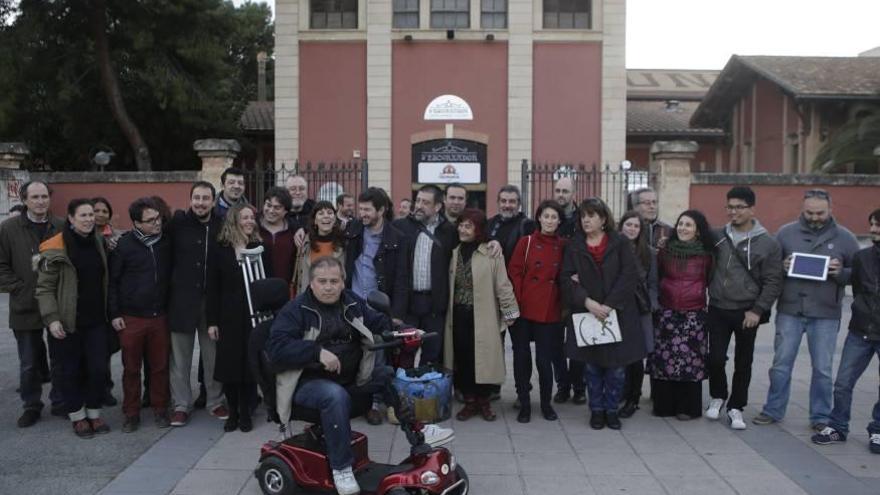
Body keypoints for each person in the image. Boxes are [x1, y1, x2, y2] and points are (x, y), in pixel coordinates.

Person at [266, 256, 454, 495]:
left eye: (334, 281)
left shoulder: (350, 302)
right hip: (307, 384)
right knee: (334, 396)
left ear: (343, 282)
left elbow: (377, 322)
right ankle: (341, 468)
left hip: (350, 379)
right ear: (311, 283)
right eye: (322, 281)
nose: (328, 287)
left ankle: (418, 431)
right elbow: (276, 348)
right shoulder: (296, 310)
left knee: (386, 374)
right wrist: (316, 352)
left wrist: (403, 330)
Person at [754, 189, 860, 430]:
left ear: (831, 209)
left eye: (820, 213)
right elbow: (769, 271)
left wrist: (841, 273)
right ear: (802, 209)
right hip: (790, 309)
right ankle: (773, 409)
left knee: (822, 369)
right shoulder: (785, 233)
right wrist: (782, 266)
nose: (814, 217)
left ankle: (821, 416)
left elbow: (860, 274)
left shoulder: (846, 238)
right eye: (809, 212)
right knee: (781, 364)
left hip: (826, 313)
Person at [561, 198, 646, 430]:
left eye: (591, 215)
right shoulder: (574, 245)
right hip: (587, 313)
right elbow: (566, 279)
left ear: (604, 219)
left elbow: (629, 276)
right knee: (592, 367)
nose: (586, 220)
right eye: (583, 216)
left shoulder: (619, 242)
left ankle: (611, 410)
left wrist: (608, 305)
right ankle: (596, 410)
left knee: (616, 369)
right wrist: (587, 301)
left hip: (616, 314)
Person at [706, 186, 783, 430]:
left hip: (747, 311)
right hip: (718, 306)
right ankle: (718, 396)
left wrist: (758, 310)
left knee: (744, 361)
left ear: (752, 209)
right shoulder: (717, 236)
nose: (733, 212)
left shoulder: (768, 243)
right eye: (730, 207)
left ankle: (736, 407)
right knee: (715, 358)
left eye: (739, 207)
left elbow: (773, 280)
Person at [35, 199, 111, 438]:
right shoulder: (54, 247)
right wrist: (52, 318)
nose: (89, 219)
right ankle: (78, 416)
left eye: (91, 215)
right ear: (70, 218)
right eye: (83, 215)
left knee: (98, 369)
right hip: (67, 322)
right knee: (70, 371)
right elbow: (44, 288)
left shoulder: (100, 241)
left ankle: (94, 412)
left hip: (97, 320)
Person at [811, 208, 880, 452]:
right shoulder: (863, 258)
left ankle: (878, 431)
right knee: (842, 383)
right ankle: (838, 427)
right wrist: (835, 271)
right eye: (872, 224)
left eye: (877, 225)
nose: (873, 230)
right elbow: (854, 285)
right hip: (860, 330)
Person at [0, 181, 65, 427]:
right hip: (24, 306)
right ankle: (32, 405)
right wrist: (19, 288)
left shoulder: (60, 226)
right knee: (28, 362)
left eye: (45, 196)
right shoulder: (8, 229)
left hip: (56, 306)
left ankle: (60, 401)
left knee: (59, 358)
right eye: (35, 197)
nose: (41, 201)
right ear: (24, 199)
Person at [445, 209, 519, 422]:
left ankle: (484, 401)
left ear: (478, 229)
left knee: (484, 358)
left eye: (468, 226)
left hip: (483, 315)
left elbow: (503, 284)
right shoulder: (455, 252)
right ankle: (469, 401)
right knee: (464, 359)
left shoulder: (491, 252)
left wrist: (510, 312)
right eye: (461, 225)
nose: (462, 229)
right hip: (459, 315)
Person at [344, 187, 409, 425]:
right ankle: (354, 400)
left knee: (378, 356)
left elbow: (402, 278)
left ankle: (374, 403)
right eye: (360, 209)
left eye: (367, 209)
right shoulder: (352, 230)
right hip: (352, 304)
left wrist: (397, 313)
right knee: (353, 353)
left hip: (378, 308)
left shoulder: (396, 237)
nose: (362, 213)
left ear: (381, 210)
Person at [166, 181, 228, 427]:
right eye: (197, 198)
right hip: (181, 301)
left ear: (214, 201)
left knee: (212, 355)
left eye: (206, 198)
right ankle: (181, 404)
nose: (201, 203)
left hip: (212, 302)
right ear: (190, 199)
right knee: (179, 358)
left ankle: (215, 401)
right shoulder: (177, 224)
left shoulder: (221, 226)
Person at [110, 197, 173, 432]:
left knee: (159, 367)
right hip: (131, 318)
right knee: (131, 368)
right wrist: (115, 313)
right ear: (136, 223)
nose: (157, 223)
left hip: (159, 316)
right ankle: (131, 412)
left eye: (158, 218)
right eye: (150, 220)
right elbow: (113, 282)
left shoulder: (166, 241)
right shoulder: (124, 246)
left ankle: (160, 409)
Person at [207, 203, 269, 432]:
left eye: (252, 217)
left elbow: (266, 282)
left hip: (253, 314)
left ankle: (246, 412)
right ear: (234, 220)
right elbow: (212, 287)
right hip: (228, 315)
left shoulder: (259, 247)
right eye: (245, 217)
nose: (250, 221)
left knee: (249, 365)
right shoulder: (220, 248)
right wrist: (212, 321)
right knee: (230, 366)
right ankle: (232, 411)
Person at [650, 210, 714, 420]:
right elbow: (656, 277)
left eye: (689, 225)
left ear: (697, 231)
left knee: (690, 362)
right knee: (665, 360)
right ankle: (664, 406)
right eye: (680, 224)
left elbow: (711, 280)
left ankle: (687, 407)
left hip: (693, 314)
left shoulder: (706, 255)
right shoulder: (665, 251)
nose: (683, 228)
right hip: (667, 312)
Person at [507, 200, 566, 423]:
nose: (549, 220)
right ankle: (524, 403)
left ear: (559, 221)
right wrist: (519, 302)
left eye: (554, 217)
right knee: (522, 358)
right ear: (539, 218)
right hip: (524, 309)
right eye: (546, 216)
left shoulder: (563, 245)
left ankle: (545, 403)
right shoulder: (527, 242)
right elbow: (515, 272)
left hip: (549, 310)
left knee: (544, 360)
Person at [393, 185, 458, 364]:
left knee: (432, 355)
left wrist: (493, 242)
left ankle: (430, 391)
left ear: (437, 207)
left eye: (425, 202)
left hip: (435, 306)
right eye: (418, 200)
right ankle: (403, 391)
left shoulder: (449, 231)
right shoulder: (400, 227)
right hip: (408, 305)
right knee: (405, 354)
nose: (419, 205)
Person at [617, 210, 659, 418]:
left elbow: (653, 284)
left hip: (640, 309)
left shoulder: (648, 253)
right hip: (618, 308)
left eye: (636, 226)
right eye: (628, 225)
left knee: (636, 357)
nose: (632, 229)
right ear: (621, 226)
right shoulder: (613, 248)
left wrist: (650, 305)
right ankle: (621, 392)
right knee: (619, 354)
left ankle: (633, 398)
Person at [293, 201, 346, 295]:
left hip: (334, 298)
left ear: (334, 219)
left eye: (330, 213)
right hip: (308, 299)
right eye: (321, 213)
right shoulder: (304, 242)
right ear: (315, 221)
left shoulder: (344, 242)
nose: (326, 216)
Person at [258, 187, 298, 290]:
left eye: (277, 207)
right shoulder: (253, 227)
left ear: (285, 211)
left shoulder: (293, 231)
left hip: (285, 290)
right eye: (268, 205)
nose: (271, 210)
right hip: (257, 289)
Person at [487, 184, 536, 264]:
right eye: (503, 201)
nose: (507, 205)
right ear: (498, 203)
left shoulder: (528, 226)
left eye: (512, 201)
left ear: (519, 204)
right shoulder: (489, 223)